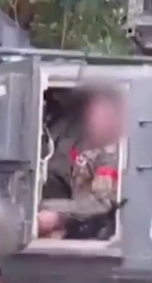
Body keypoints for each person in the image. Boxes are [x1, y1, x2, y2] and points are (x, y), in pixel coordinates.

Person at [36, 86, 125, 239]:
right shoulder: (68, 135)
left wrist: (57, 215)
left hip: (98, 232)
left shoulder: (115, 153)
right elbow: (55, 175)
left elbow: (102, 204)